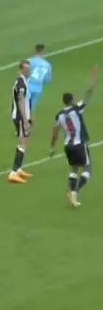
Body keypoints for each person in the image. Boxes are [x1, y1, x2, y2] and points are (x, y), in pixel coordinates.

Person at [49, 67, 98, 208]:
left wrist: (52, 147)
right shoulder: (77, 109)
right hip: (79, 144)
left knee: (74, 169)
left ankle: (72, 194)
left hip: (68, 146)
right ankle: (74, 193)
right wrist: (92, 83)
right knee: (87, 169)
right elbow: (87, 96)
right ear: (71, 101)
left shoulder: (59, 115)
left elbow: (55, 132)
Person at [8, 59, 32, 184]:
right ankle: (13, 172)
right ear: (21, 69)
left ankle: (18, 169)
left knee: (24, 141)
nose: (28, 71)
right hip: (20, 117)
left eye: (29, 69)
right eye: (26, 69)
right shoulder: (21, 84)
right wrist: (25, 120)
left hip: (21, 116)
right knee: (22, 142)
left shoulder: (22, 82)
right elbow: (21, 102)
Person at [28, 43, 52, 110]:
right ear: (43, 51)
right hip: (38, 88)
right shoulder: (47, 65)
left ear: (35, 50)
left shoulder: (28, 61)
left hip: (27, 86)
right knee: (31, 108)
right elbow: (47, 80)